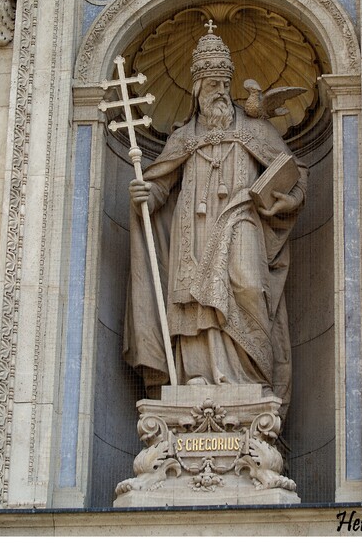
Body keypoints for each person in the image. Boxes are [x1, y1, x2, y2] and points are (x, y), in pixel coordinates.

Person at [123, 27, 308, 417]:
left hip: (242, 218)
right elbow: (160, 185)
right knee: (193, 297)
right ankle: (198, 376)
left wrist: (284, 200)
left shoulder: (256, 131)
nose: (219, 91)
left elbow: (295, 171)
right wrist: (146, 195)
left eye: (224, 83)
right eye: (210, 84)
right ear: (196, 91)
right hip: (193, 230)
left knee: (247, 283)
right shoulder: (182, 138)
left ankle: (249, 378)